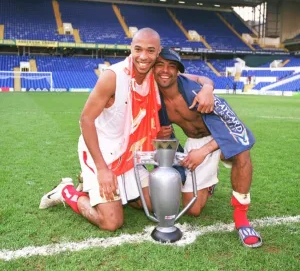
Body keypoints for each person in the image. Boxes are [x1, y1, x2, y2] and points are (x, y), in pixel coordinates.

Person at [39, 28, 215, 231]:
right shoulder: (112, 77)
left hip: (130, 156)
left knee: (158, 207)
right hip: (103, 153)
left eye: (150, 51)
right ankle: (67, 191)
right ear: (131, 48)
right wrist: (103, 169)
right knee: (111, 222)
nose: (143, 56)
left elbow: (201, 80)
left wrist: (208, 89)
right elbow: (86, 120)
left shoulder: (156, 75)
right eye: (138, 49)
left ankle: (108, 191)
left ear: (158, 53)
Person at [154, 48, 262, 248]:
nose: (165, 70)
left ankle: (241, 218)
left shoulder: (196, 91)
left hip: (220, 134)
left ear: (178, 71)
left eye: (171, 66)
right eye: (159, 65)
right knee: (193, 210)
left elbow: (238, 130)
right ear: (152, 68)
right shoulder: (153, 97)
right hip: (196, 141)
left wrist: (207, 89)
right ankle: (210, 182)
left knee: (241, 153)